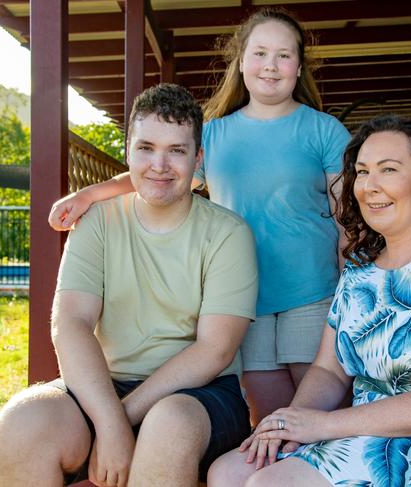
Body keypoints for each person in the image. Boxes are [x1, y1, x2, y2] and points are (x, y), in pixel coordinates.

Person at [47, 8, 351, 424]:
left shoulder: (325, 130)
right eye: (260, 53)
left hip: (314, 290)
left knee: (322, 413)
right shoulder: (213, 134)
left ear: (299, 67)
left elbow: (345, 216)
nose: (271, 65)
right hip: (245, 301)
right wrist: (89, 194)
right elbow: (160, 173)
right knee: (269, 419)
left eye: (284, 55)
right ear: (241, 61)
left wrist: (351, 285)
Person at [207, 116, 411, 487]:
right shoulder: (360, 269)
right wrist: (292, 423)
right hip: (372, 431)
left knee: (271, 484)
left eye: (388, 170)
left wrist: (324, 425)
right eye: (362, 172)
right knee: (229, 472)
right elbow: (330, 371)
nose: (369, 186)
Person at [0, 84, 258, 487]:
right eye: (146, 147)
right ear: (128, 150)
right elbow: (72, 323)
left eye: (177, 151)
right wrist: (107, 417)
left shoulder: (228, 233)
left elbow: (213, 350)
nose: (160, 165)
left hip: (199, 396)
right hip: (105, 385)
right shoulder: (97, 221)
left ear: (197, 158)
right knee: (23, 421)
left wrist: (119, 421)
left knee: (167, 425)